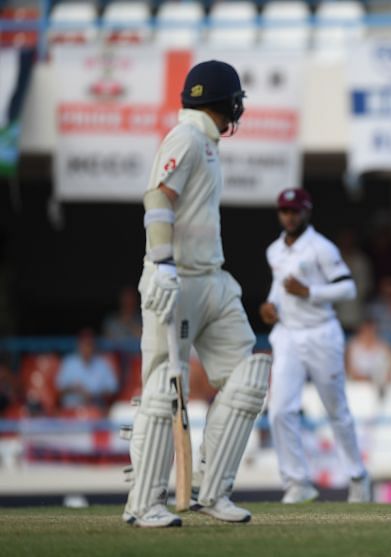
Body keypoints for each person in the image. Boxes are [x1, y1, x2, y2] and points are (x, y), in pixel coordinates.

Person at [124, 60, 272, 528]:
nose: (239, 109)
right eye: (236, 101)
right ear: (225, 102)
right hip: (175, 280)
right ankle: (144, 503)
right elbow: (157, 198)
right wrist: (163, 263)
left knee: (248, 377)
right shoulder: (185, 137)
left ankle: (213, 491)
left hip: (212, 278)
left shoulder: (206, 143)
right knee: (165, 391)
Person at [260, 188, 370, 504]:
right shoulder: (274, 251)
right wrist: (270, 304)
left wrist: (310, 292)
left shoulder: (322, 248)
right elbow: (277, 287)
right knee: (280, 409)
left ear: (306, 212)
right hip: (288, 334)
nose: (289, 216)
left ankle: (358, 476)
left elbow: (347, 288)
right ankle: (297, 482)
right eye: (284, 211)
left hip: (321, 333)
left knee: (336, 409)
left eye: (295, 211)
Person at [56, 328, 118, 412]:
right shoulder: (69, 362)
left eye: (89, 344)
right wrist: (75, 389)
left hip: (95, 409)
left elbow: (112, 389)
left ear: (94, 346)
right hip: (71, 410)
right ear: (79, 345)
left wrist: (93, 394)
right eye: (84, 344)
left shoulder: (102, 364)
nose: (87, 348)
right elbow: (59, 389)